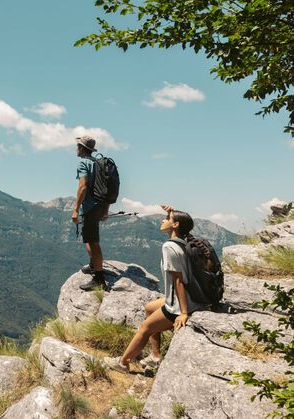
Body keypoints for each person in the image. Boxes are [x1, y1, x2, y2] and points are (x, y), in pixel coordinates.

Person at [103, 205, 204, 373]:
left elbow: (178, 280)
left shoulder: (169, 247)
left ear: (175, 225)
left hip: (179, 304)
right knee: (149, 308)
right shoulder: (185, 241)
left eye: (167, 219)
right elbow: (180, 225)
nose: (163, 220)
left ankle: (123, 363)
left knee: (144, 328)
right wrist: (171, 212)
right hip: (189, 296)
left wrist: (184, 313)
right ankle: (155, 356)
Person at [72, 135, 109, 291]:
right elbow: (107, 188)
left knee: (93, 242)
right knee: (89, 238)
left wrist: (75, 209)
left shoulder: (84, 163)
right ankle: (94, 265)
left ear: (81, 148)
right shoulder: (99, 164)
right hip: (100, 206)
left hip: (89, 207)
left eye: (77, 146)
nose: (76, 149)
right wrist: (105, 209)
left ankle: (99, 279)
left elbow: (83, 187)